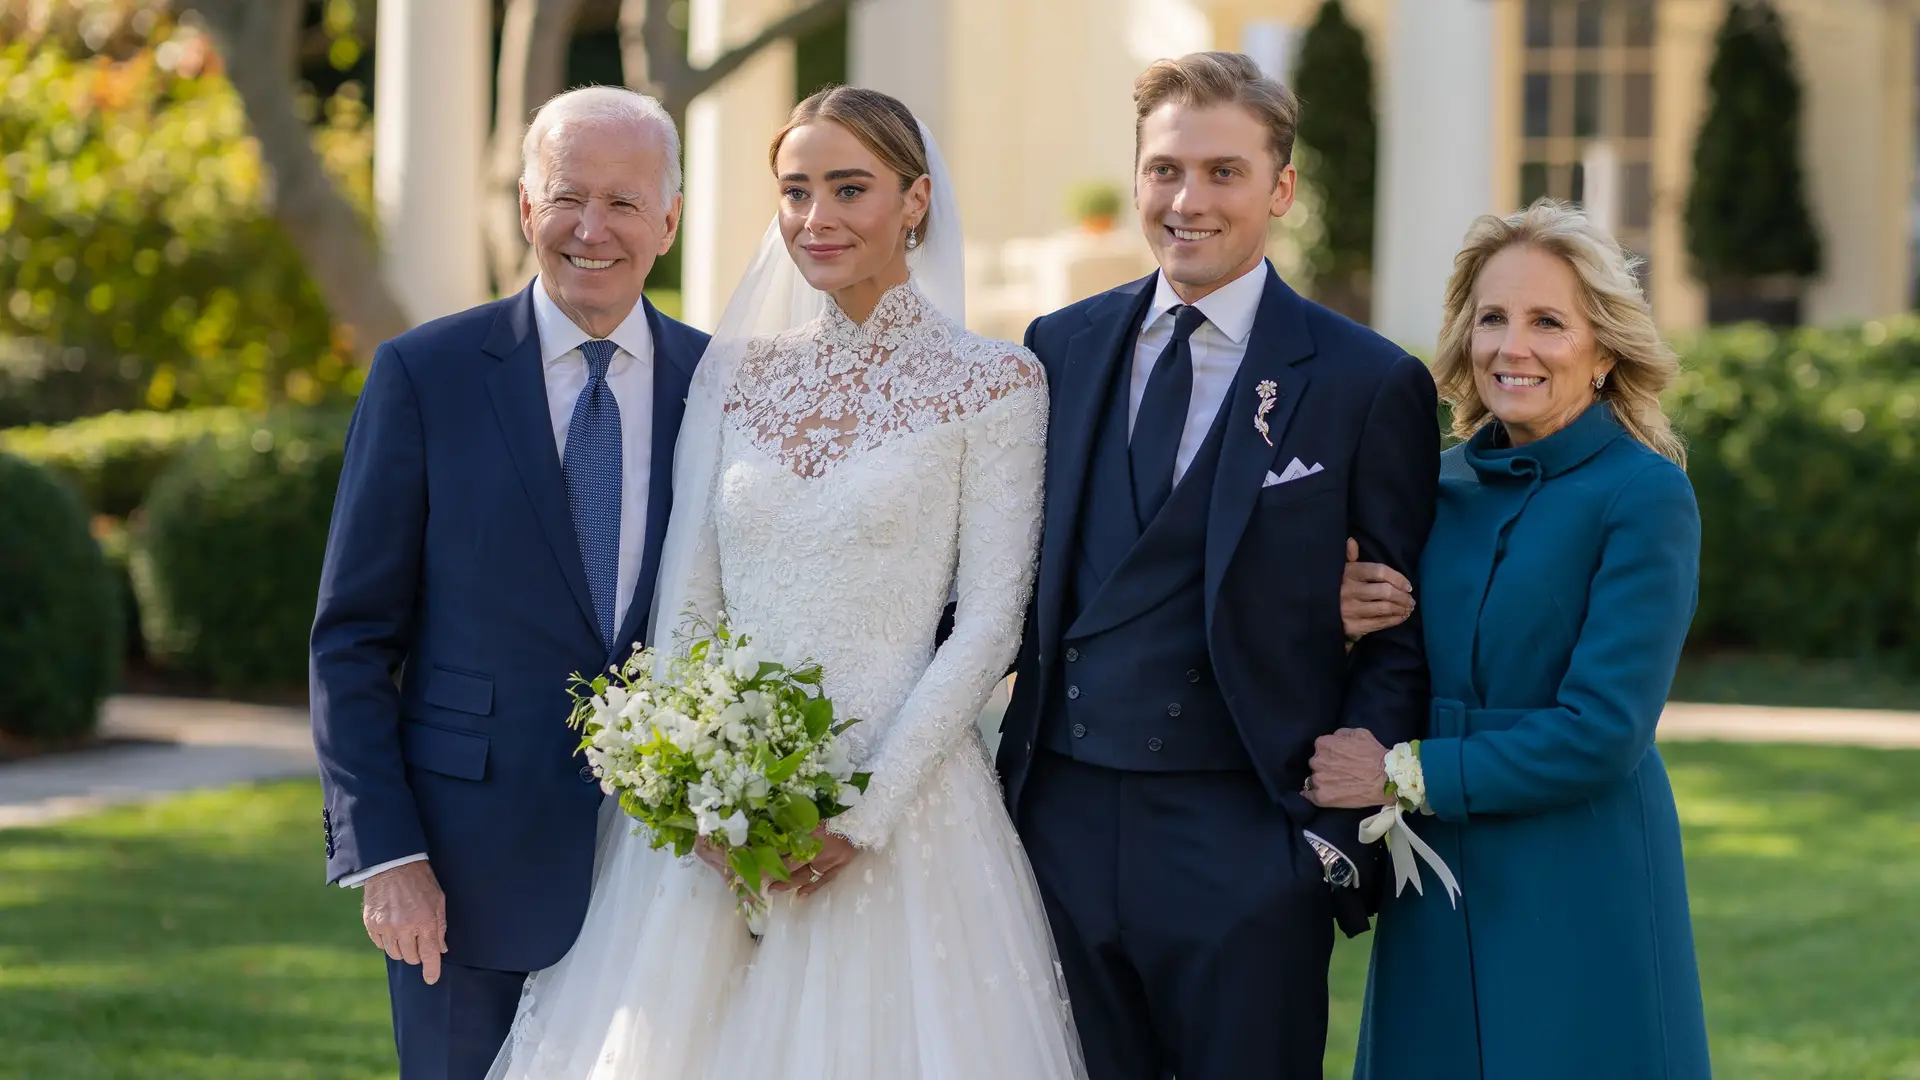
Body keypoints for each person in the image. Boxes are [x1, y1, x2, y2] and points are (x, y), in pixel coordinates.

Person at [481, 87, 1089, 1079]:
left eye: (850, 188)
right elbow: (685, 605)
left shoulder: (998, 385)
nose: (816, 218)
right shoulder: (734, 375)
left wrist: (862, 812)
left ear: (915, 200)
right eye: (796, 190)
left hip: (902, 818)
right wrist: (694, 801)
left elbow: (988, 626)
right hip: (711, 829)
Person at [995, 52, 1439, 1080]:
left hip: (1245, 833)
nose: (1188, 200)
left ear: (1280, 189)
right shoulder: (1056, 347)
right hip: (1055, 825)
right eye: (1165, 170)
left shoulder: (1368, 383)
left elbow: (1404, 639)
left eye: (1224, 173)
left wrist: (1326, 845)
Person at [309, 86, 707, 1078]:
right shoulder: (425, 375)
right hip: (461, 873)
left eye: (623, 202)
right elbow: (352, 639)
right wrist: (388, 856)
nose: (591, 229)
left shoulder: (724, 386)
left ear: (670, 217)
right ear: (526, 209)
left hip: (671, 883)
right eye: (568, 196)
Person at [1318, 200, 1712, 1080]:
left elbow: (1603, 730)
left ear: (1604, 349)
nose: (1512, 347)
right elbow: (1394, 661)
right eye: (1492, 318)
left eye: (1548, 322)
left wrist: (1401, 773)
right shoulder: (1433, 485)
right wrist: (1341, 621)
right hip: (1434, 880)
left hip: (1576, 875)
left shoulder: (1645, 498)